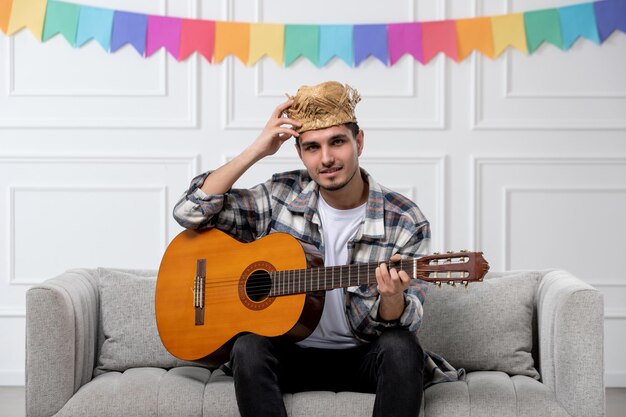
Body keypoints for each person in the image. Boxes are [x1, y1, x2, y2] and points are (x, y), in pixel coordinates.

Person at [173, 81, 430, 417]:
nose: (326, 158)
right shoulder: (280, 194)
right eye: (312, 147)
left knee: (402, 347)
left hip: (363, 358)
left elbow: (407, 321)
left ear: (359, 142)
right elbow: (189, 212)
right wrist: (257, 150)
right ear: (299, 153)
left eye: (337, 142)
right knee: (248, 346)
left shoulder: (405, 219)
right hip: (288, 356)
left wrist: (392, 299)